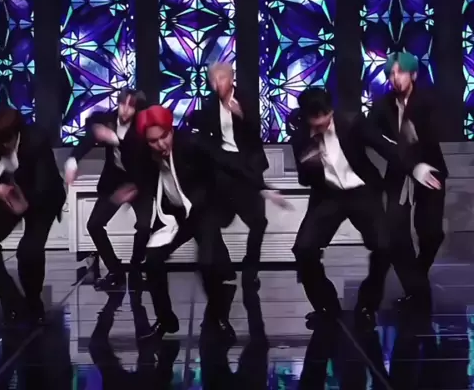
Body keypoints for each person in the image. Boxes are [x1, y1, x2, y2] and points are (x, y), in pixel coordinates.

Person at [290, 88, 440, 327]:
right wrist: (310, 163)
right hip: (327, 197)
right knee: (304, 249)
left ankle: (367, 306)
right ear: (306, 117)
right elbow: (304, 180)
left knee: (383, 247)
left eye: (324, 117)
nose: (320, 124)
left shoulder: (352, 123)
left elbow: (387, 148)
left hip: (362, 192)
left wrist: (415, 168)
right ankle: (326, 307)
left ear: (331, 111)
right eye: (314, 119)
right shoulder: (299, 137)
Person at [135, 105, 285, 340]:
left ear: (171, 131)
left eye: (164, 136)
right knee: (153, 261)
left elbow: (228, 162)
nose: (161, 144)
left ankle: (219, 317)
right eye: (153, 141)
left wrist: (262, 187)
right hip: (174, 215)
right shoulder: (144, 155)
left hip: (204, 210)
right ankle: (165, 320)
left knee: (207, 264)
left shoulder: (190, 143)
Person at [369, 51, 448, 308]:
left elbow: (435, 132)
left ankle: (418, 276)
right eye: (391, 73)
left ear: (413, 74)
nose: (396, 78)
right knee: (396, 233)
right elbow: (370, 133)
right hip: (399, 172)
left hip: (430, 171)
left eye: (401, 72)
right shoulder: (382, 104)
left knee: (431, 233)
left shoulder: (428, 100)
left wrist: (416, 134)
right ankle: (415, 289)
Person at [64, 88, 156, 290]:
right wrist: (72, 161)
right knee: (94, 225)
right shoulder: (109, 120)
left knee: (143, 227)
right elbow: (90, 135)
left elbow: (141, 156)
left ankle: (135, 269)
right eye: (122, 104)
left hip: (141, 182)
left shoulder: (143, 125)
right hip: (114, 182)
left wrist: (115, 139)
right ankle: (115, 270)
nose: (125, 110)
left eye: (131, 106)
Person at [192, 62, 269, 286]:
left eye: (222, 78)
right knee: (212, 220)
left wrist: (241, 115)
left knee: (258, 222)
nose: (218, 84)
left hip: (248, 167)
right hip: (222, 168)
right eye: (213, 80)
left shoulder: (247, 99)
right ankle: (224, 266)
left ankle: (250, 268)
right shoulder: (209, 105)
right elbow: (206, 140)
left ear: (231, 78)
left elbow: (256, 135)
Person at [0, 108, 66, 324]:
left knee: (29, 250)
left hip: (43, 198)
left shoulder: (36, 140)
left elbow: (44, 187)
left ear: (17, 133)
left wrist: (22, 203)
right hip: (8, 194)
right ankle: (11, 301)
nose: (2, 146)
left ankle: (34, 302)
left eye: (6, 140)